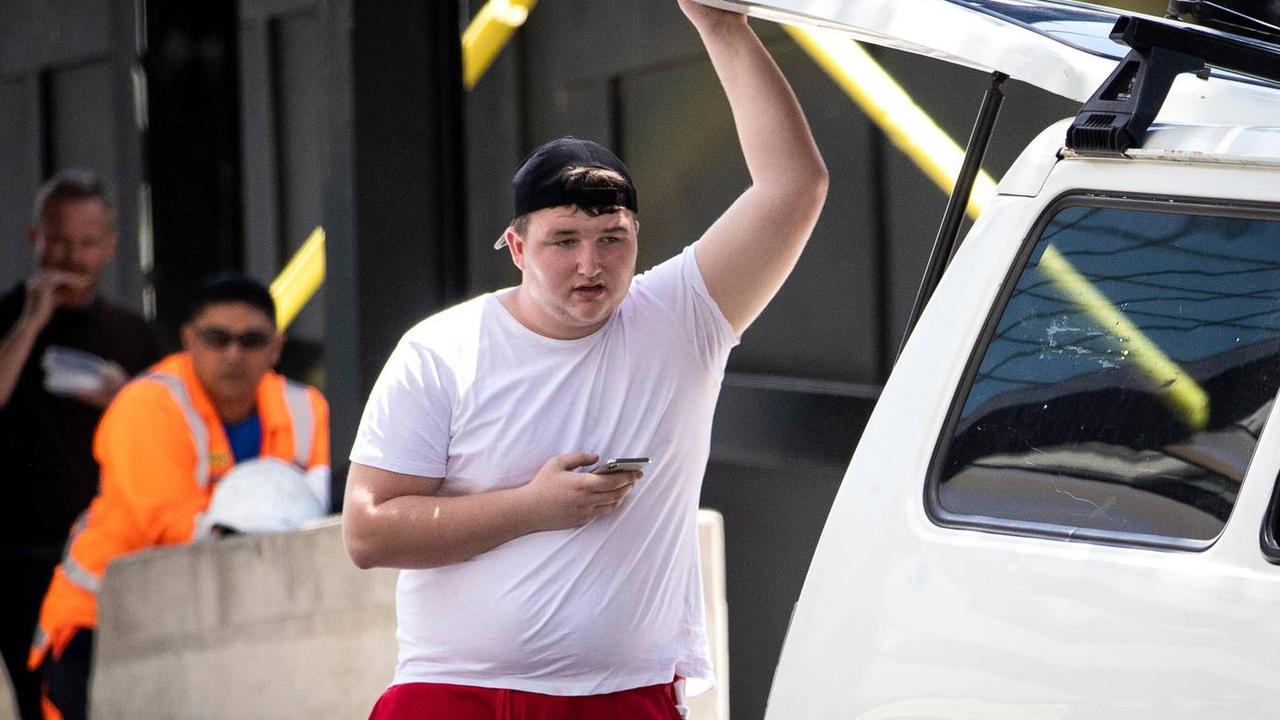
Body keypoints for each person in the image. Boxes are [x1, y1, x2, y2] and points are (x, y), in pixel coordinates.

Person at [342, 1, 827, 718]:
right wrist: (531, 509)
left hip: (620, 699)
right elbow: (367, 530)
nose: (590, 264)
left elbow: (795, 185)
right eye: (563, 240)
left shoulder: (679, 320)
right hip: (450, 693)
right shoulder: (442, 349)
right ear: (516, 247)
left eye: (612, 238)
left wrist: (723, 27)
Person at [28, 273, 330, 720]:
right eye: (217, 338)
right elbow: (169, 526)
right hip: (100, 622)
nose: (234, 353)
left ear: (276, 346)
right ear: (189, 338)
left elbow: (314, 518)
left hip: (223, 620)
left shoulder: (306, 407)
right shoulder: (147, 403)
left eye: (251, 340)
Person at [0, 171, 160, 720]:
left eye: (87, 243)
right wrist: (30, 322)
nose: (71, 256)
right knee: (33, 696)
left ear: (111, 246)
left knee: (93, 696)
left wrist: (126, 397)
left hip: (101, 552)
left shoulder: (131, 331)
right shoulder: (7, 318)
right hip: (17, 548)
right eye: (59, 241)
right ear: (34, 239)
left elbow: (165, 433)